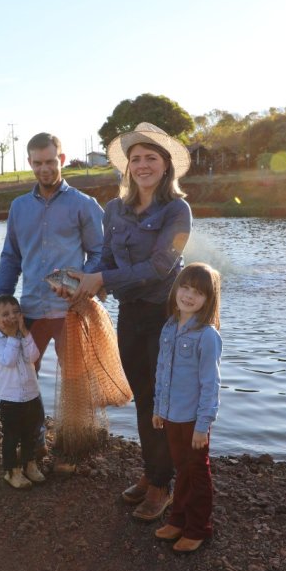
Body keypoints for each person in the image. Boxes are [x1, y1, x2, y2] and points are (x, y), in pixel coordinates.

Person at [70, 122, 192, 521]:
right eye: (136, 158)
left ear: (166, 165)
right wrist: (81, 281)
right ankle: (151, 473)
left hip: (166, 317)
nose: (142, 165)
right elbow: (106, 258)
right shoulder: (113, 210)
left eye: (151, 158)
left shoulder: (178, 210)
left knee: (161, 400)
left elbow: (161, 267)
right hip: (130, 315)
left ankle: (162, 487)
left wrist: (102, 279)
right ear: (128, 167)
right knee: (142, 397)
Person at [0, 132, 104, 457]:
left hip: (71, 311)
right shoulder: (18, 207)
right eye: (38, 163)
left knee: (75, 386)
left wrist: (82, 285)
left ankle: (71, 451)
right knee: (24, 382)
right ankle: (32, 448)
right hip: (31, 311)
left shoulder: (84, 205)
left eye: (51, 161)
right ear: (30, 164)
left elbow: (101, 254)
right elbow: (10, 259)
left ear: (61, 159)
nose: (45, 169)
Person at [152, 262, 222, 553]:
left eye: (198, 292)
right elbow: (161, 371)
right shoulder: (169, 327)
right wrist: (158, 408)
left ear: (208, 299)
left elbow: (211, 384)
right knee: (181, 469)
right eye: (185, 287)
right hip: (171, 415)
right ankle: (178, 520)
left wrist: (202, 425)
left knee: (197, 473)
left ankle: (198, 528)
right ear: (176, 288)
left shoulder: (207, 336)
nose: (189, 296)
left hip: (193, 420)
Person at [0, 294, 47, 489]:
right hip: (11, 400)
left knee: (31, 434)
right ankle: (11, 471)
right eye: (5, 314)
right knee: (12, 437)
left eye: (15, 312)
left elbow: (33, 356)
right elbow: (8, 360)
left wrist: (24, 332)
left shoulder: (24, 335)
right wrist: (13, 337)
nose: (11, 317)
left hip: (32, 395)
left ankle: (30, 464)